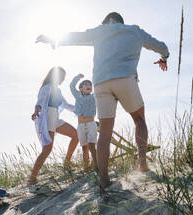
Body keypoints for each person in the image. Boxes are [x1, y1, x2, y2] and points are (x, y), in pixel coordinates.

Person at [36, 12, 169, 189]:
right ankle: (142, 163)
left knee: (105, 132)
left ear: (111, 20)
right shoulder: (135, 31)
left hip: (101, 84)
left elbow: (76, 37)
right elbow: (161, 46)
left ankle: (104, 179)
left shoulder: (100, 31)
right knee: (139, 120)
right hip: (125, 80)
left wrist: (53, 39)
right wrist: (164, 58)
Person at [29, 66, 78, 185]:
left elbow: (66, 105)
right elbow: (40, 102)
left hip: (56, 117)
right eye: (62, 76)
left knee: (76, 135)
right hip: (49, 117)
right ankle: (32, 177)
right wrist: (36, 111)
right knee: (47, 149)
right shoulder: (46, 88)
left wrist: (81, 109)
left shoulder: (58, 90)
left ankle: (67, 162)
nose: (63, 79)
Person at [70, 73, 98, 172]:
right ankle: (86, 167)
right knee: (84, 147)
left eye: (90, 85)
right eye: (86, 84)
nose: (89, 86)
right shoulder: (77, 95)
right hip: (81, 125)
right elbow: (72, 86)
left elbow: (100, 87)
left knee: (91, 145)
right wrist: (77, 77)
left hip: (91, 124)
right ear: (81, 88)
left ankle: (96, 165)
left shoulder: (93, 96)